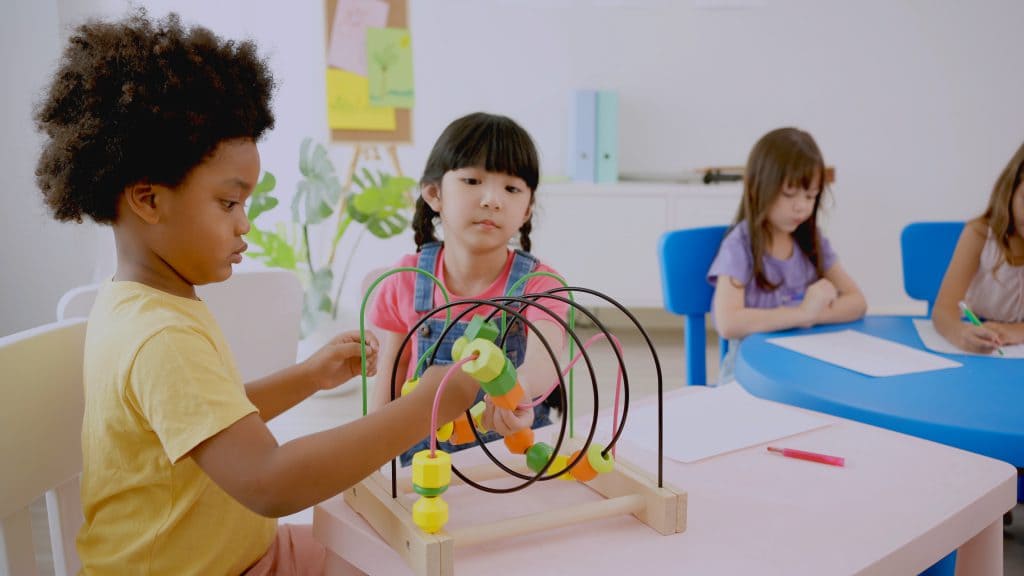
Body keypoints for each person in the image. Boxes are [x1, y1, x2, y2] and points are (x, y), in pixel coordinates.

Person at [35, 11, 477, 574]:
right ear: (147, 200)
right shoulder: (158, 334)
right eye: (228, 203)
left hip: (244, 552)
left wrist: (309, 377)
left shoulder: (142, 302)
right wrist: (427, 406)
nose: (244, 224)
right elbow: (270, 482)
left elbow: (208, 420)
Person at [367, 112, 569, 466]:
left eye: (511, 188)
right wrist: (369, 457)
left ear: (527, 209)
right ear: (433, 193)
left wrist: (513, 389)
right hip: (424, 468)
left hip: (513, 465)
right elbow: (391, 379)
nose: (492, 199)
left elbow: (546, 360)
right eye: (473, 180)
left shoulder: (540, 285)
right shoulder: (407, 278)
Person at [707, 127, 867, 383]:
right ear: (758, 188)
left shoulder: (810, 241)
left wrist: (812, 314)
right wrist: (803, 313)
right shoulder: (740, 246)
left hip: (800, 368)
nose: (801, 206)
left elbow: (857, 302)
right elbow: (728, 322)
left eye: (811, 196)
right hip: (749, 377)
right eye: (789, 194)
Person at [933, 140, 1024, 353]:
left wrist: (1017, 331)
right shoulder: (980, 234)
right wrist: (961, 333)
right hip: (982, 341)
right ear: (1010, 189)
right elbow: (943, 310)